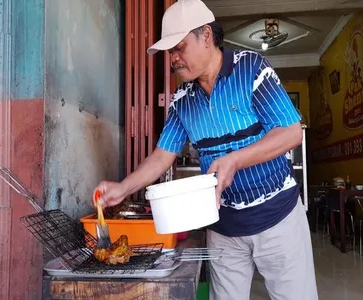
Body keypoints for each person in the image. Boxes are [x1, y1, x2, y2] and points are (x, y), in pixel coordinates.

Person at [93, 0, 318, 299]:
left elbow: (290, 133)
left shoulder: (251, 69)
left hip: (278, 219)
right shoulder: (182, 99)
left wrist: (234, 161)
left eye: (180, 47)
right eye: (170, 52)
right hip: (223, 228)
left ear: (207, 36)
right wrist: (123, 188)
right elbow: (162, 156)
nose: (173, 59)